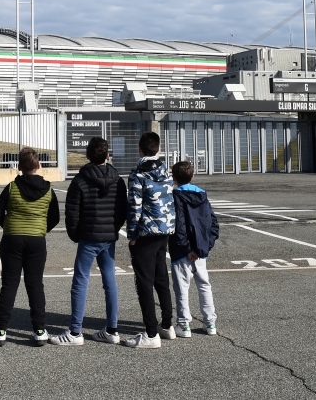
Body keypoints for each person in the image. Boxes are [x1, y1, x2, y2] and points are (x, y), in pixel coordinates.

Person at [49, 137, 127, 346]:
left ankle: (75, 332)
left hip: (88, 237)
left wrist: (76, 235)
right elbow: (122, 210)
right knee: (110, 281)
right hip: (108, 237)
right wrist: (114, 229)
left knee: (80, 281)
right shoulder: (118, 179)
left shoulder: (80, 180)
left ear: (87, 155)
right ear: (107, 155)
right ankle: (112, 329)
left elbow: (72, 212)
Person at [0, 147, 60, 347]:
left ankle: (1, 330)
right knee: (35, 284)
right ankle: (39, 330)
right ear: (39, 166)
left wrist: (11, 227)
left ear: (19, 167)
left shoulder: (11, 187)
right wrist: (40, 229)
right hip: (37, 240)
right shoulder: (48, 189)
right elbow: (55, 217)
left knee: (9, 284)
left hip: (12, 239)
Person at [124, 131, 176, 349]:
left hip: (146, 232)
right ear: (158, 148)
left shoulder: (138, 175)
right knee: (161, 277)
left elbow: (134, 207)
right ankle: (167, 325)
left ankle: (151, 333)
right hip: (165, 229)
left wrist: (132, 234)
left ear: (140, 149)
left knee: (144, 282)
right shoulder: (166, 170)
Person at [169, 161, 220, 337]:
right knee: (204, 285)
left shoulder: (175, 196)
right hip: (201, 252)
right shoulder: (203, 195)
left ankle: (183, 325)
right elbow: (213, 224)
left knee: (182, 287)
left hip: (181, 251)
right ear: (193, 176)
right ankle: (210, 323)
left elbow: (179, 225)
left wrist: (187, 248)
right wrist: (203, 248)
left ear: (173, 178)